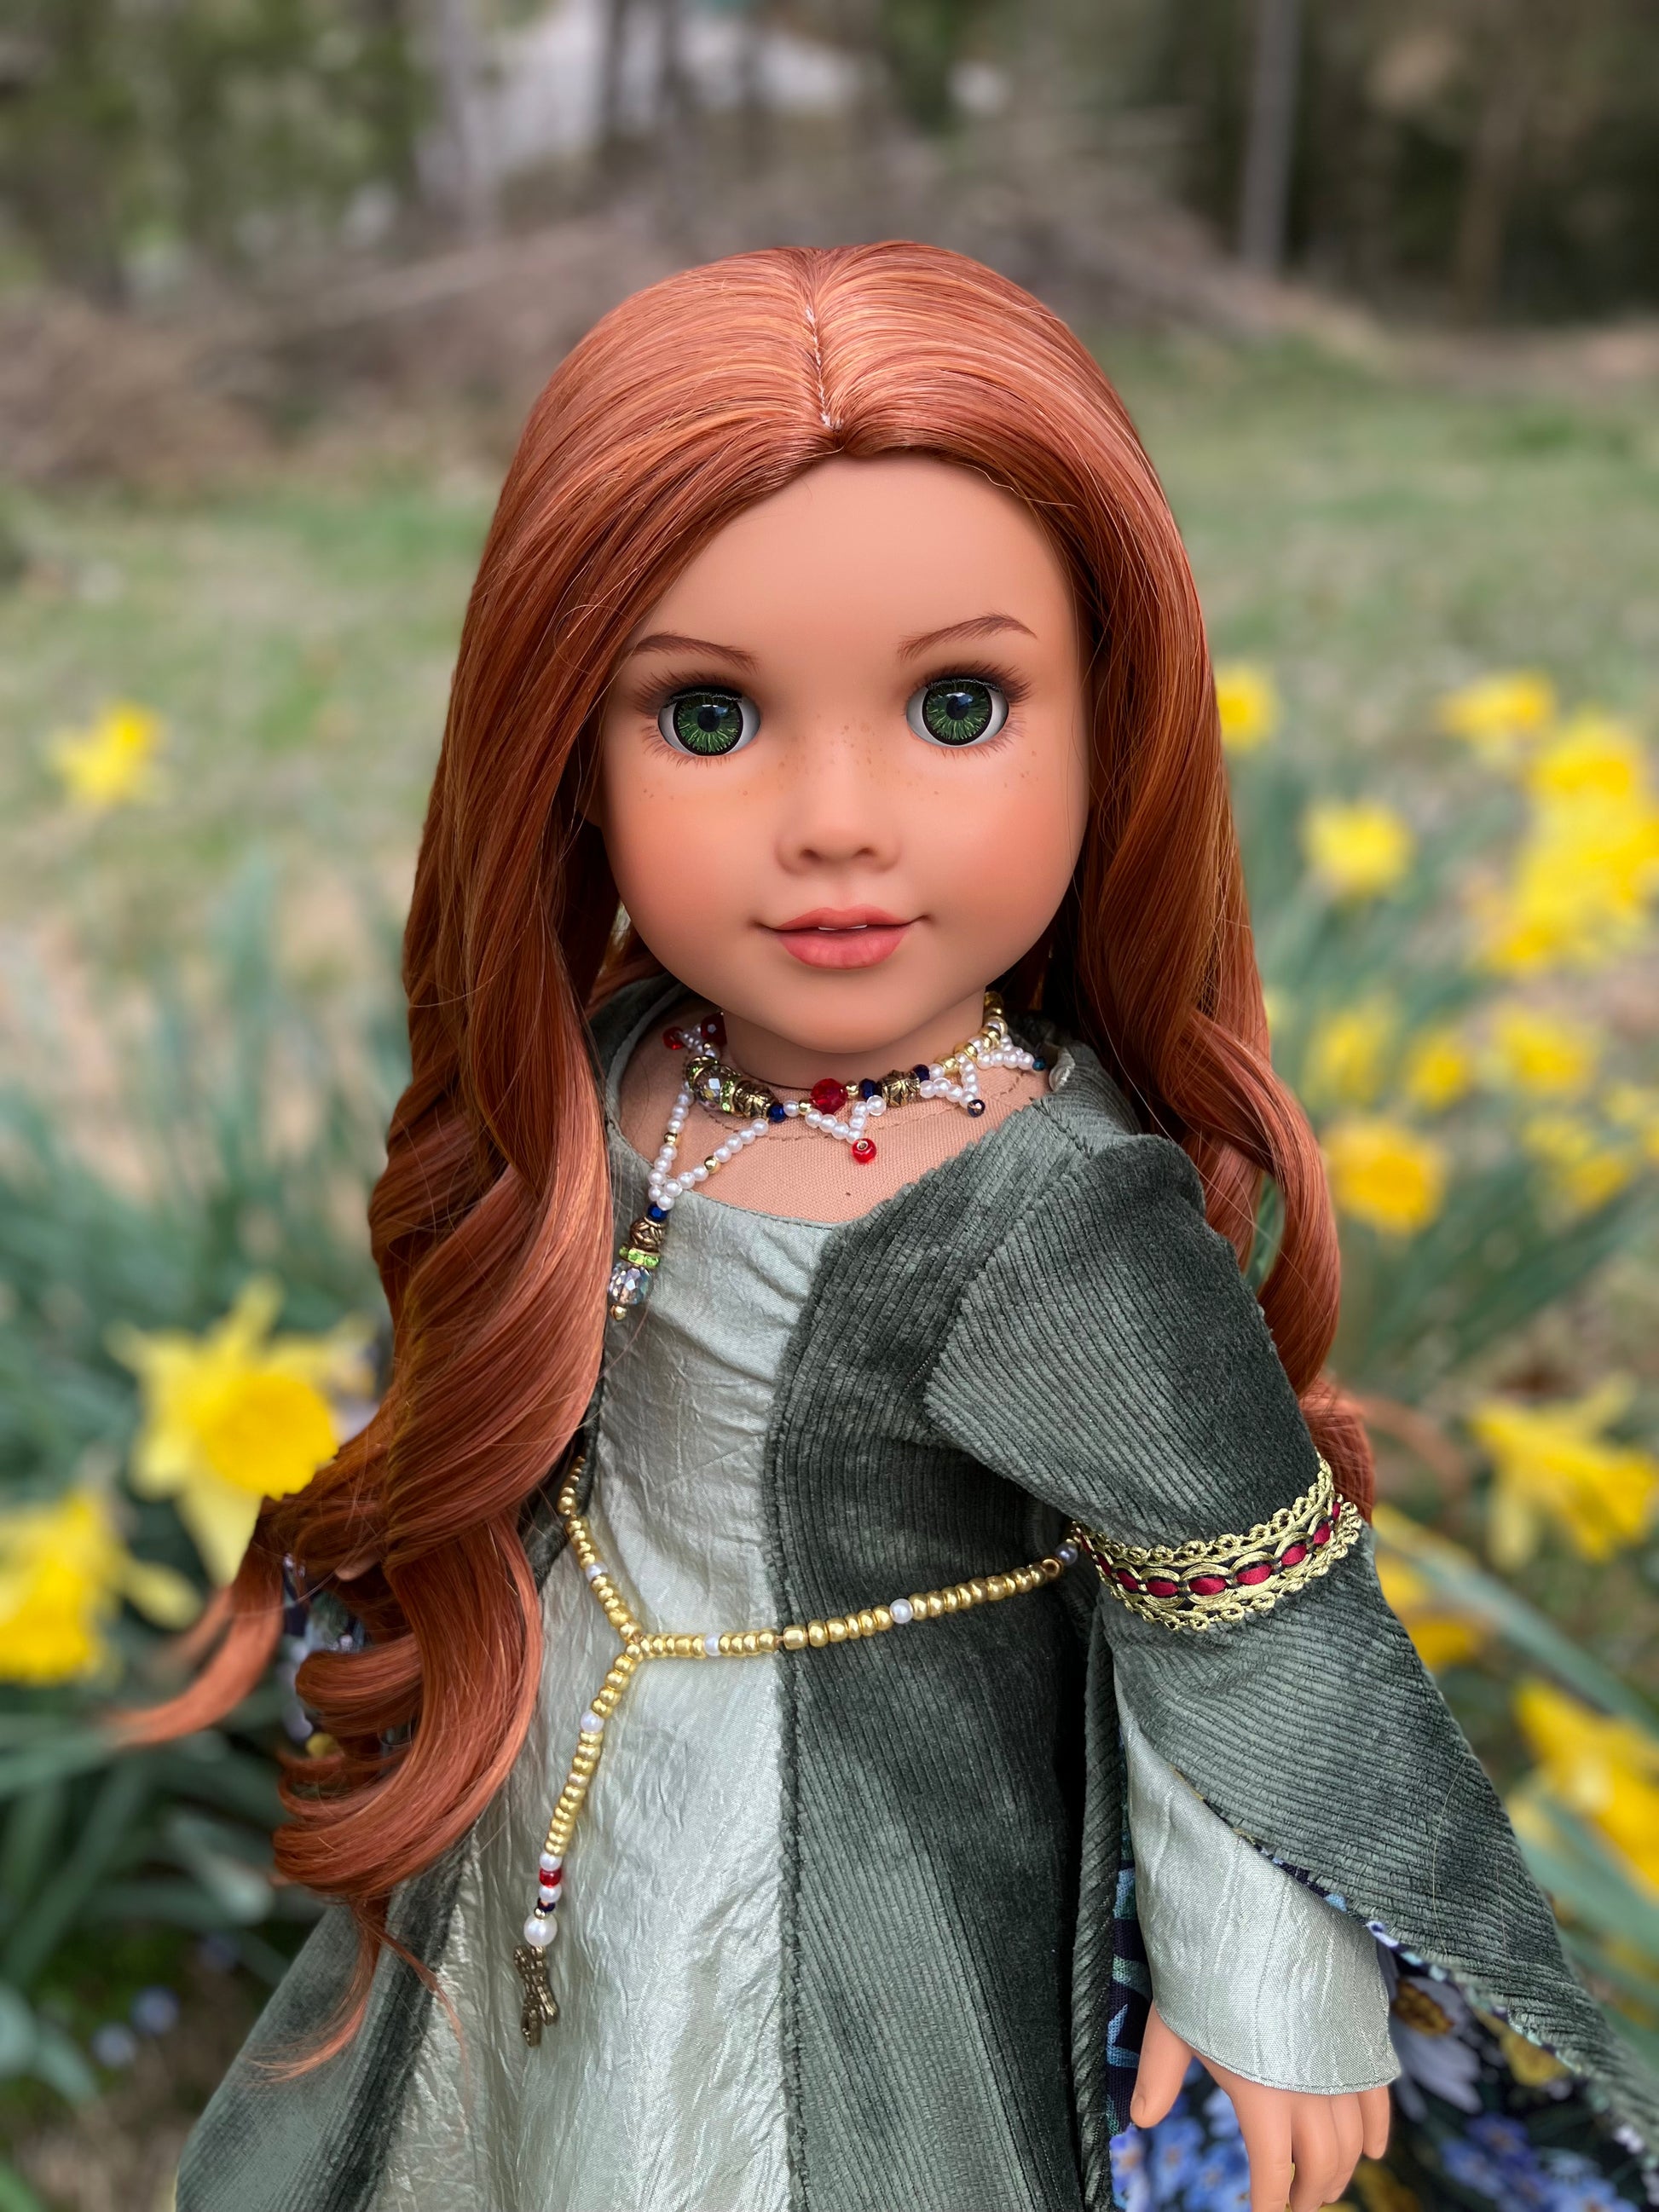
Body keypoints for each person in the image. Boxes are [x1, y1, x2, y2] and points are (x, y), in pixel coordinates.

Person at [144, 243, 1656, 2212]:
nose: (837, 819)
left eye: (959, 704)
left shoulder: (1046, 1208)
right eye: (707, 717)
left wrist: (1271, 1972)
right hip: (544, 1782)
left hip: (865, 1858)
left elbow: (1234, 1596)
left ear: (1112, 721)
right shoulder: (616, 1065)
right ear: (566, 755)